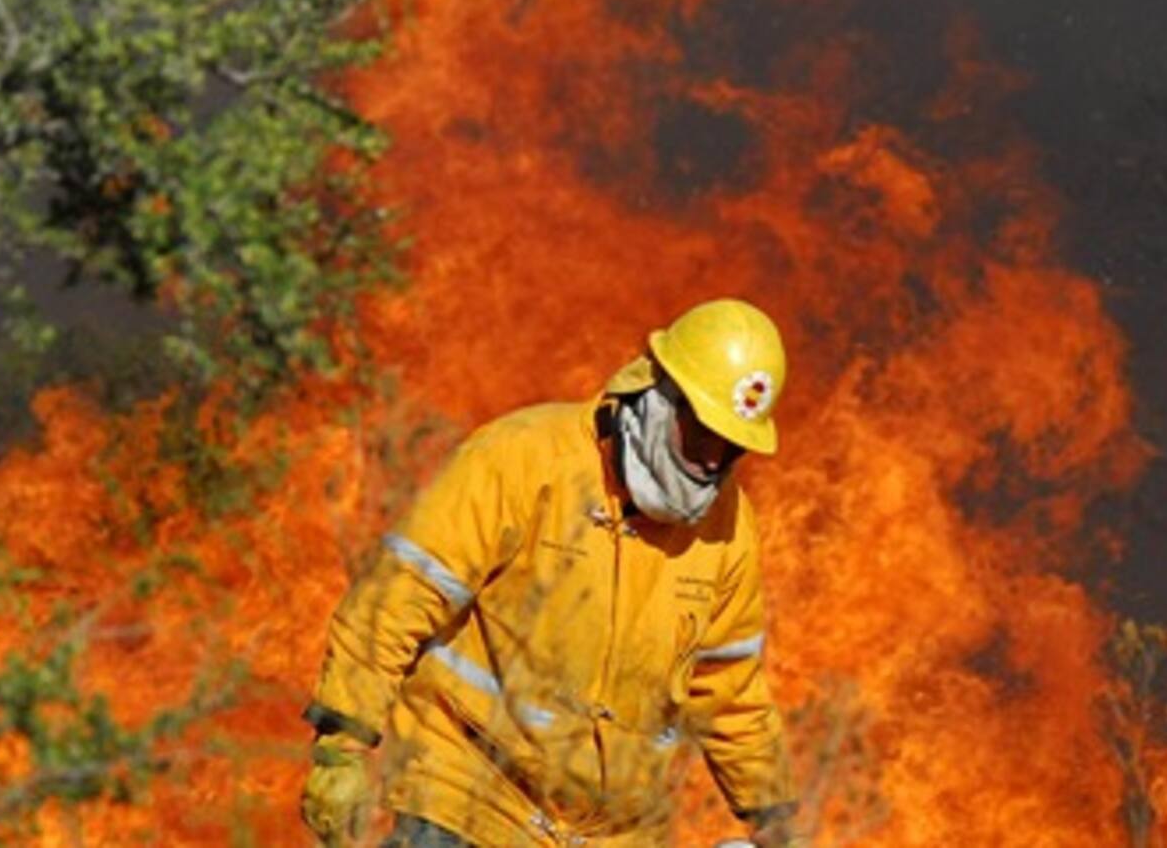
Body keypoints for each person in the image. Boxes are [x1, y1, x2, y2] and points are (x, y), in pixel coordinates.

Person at [301, 298, 805, 847]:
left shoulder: (728, 531)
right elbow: (398, 597)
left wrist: (776, 817)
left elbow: (731, 690)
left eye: (732, 447)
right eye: (704, 434)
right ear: (660, 396)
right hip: (465, 802)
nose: (712, 460)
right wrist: (341, 744)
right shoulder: (523, 458)